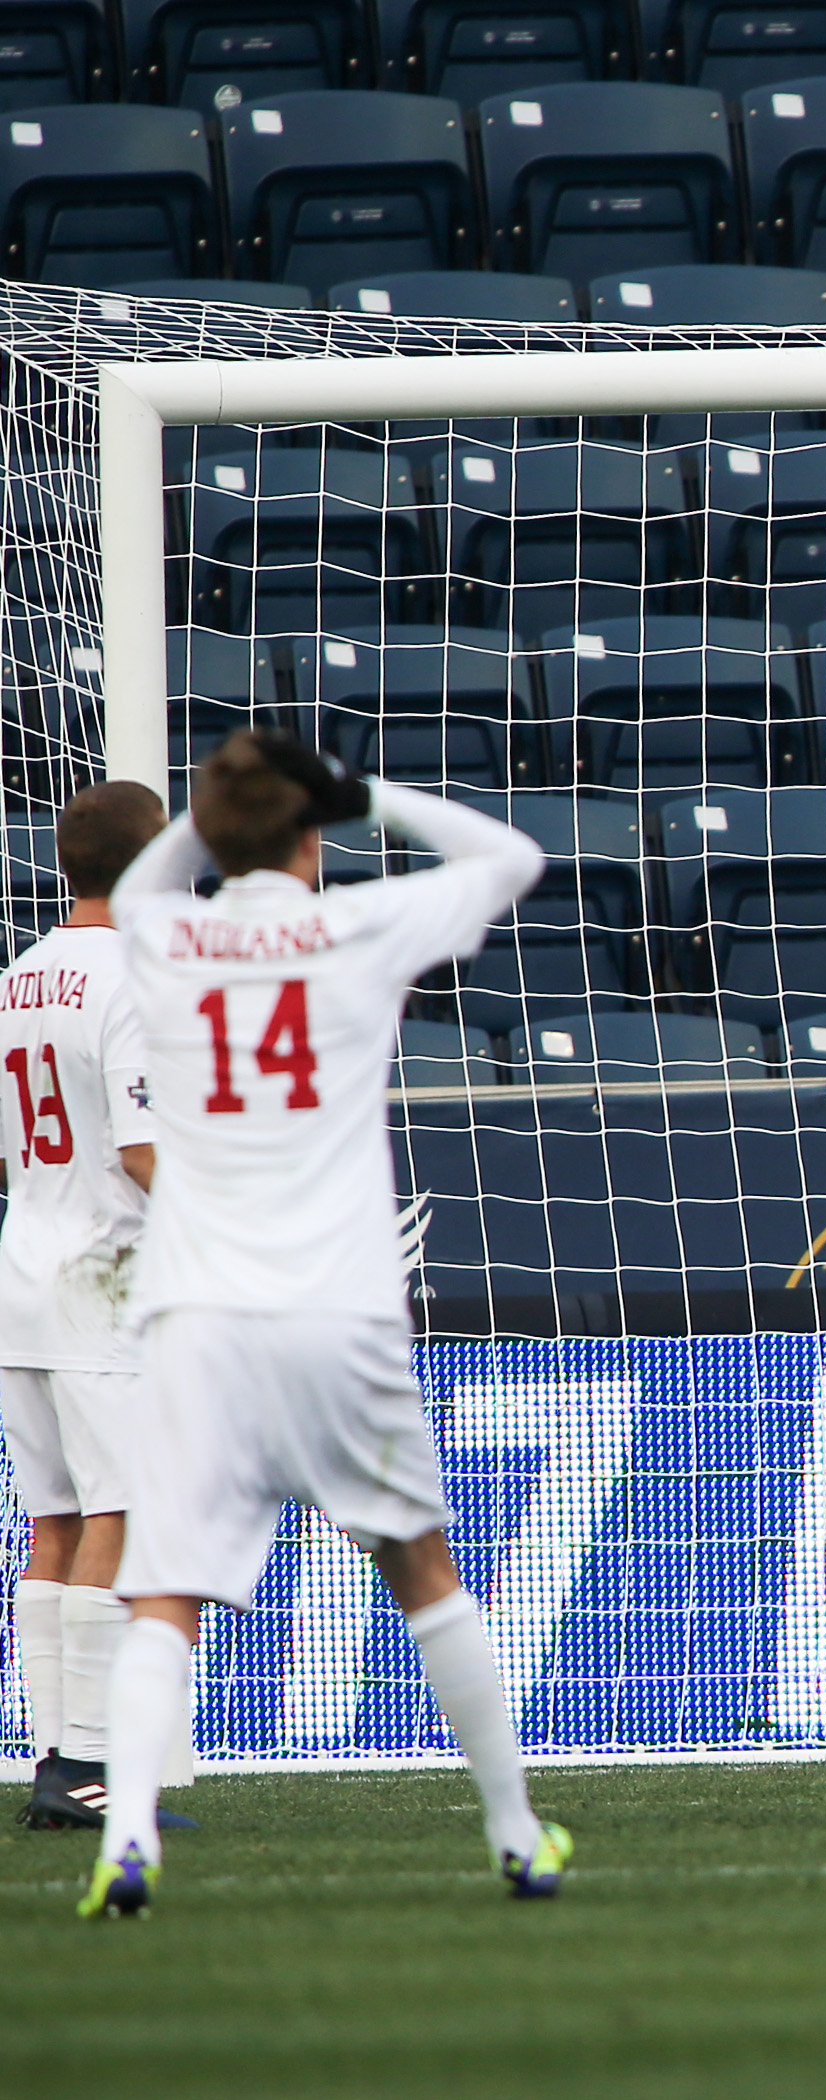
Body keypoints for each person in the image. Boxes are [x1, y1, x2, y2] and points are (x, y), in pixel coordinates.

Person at [84, 731, 559, 1918]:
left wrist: (225, 807)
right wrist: (369, 792)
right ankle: (513, 1833)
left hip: (195, 1307)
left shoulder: (168, 931)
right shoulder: (359, 927)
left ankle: (127, 1834)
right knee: (421, 1567)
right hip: (337, 1307)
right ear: (314, 832)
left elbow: (148, 875)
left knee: (164, 1595)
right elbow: (512, 856)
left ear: (212, 836)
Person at [5, 782, 174, 1832]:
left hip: (21, 1259)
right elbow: (146, 1149)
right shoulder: (135, 981)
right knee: (118, 1511)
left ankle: (52, 1760)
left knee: (52, 1525)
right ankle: (87, 1768)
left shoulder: (17, 978)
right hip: (98, 1277)